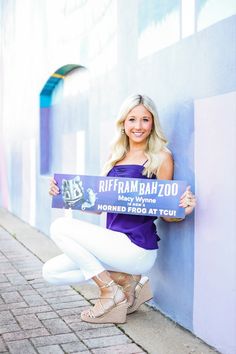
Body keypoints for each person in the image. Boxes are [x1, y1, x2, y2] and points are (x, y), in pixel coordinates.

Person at [43, 94, 196, 324]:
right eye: (132, 119)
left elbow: (166, 213)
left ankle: (110, 292)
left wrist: (183, 210)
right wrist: (63, 193)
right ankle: (125, 281)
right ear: (123, 123)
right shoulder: (115, 157)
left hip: (137, 247)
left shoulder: (162, 157)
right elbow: (97, 207)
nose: (138, 126)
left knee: (59, 226)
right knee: (51, 272)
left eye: (145, 119)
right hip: (112, 245)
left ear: (152, 122)